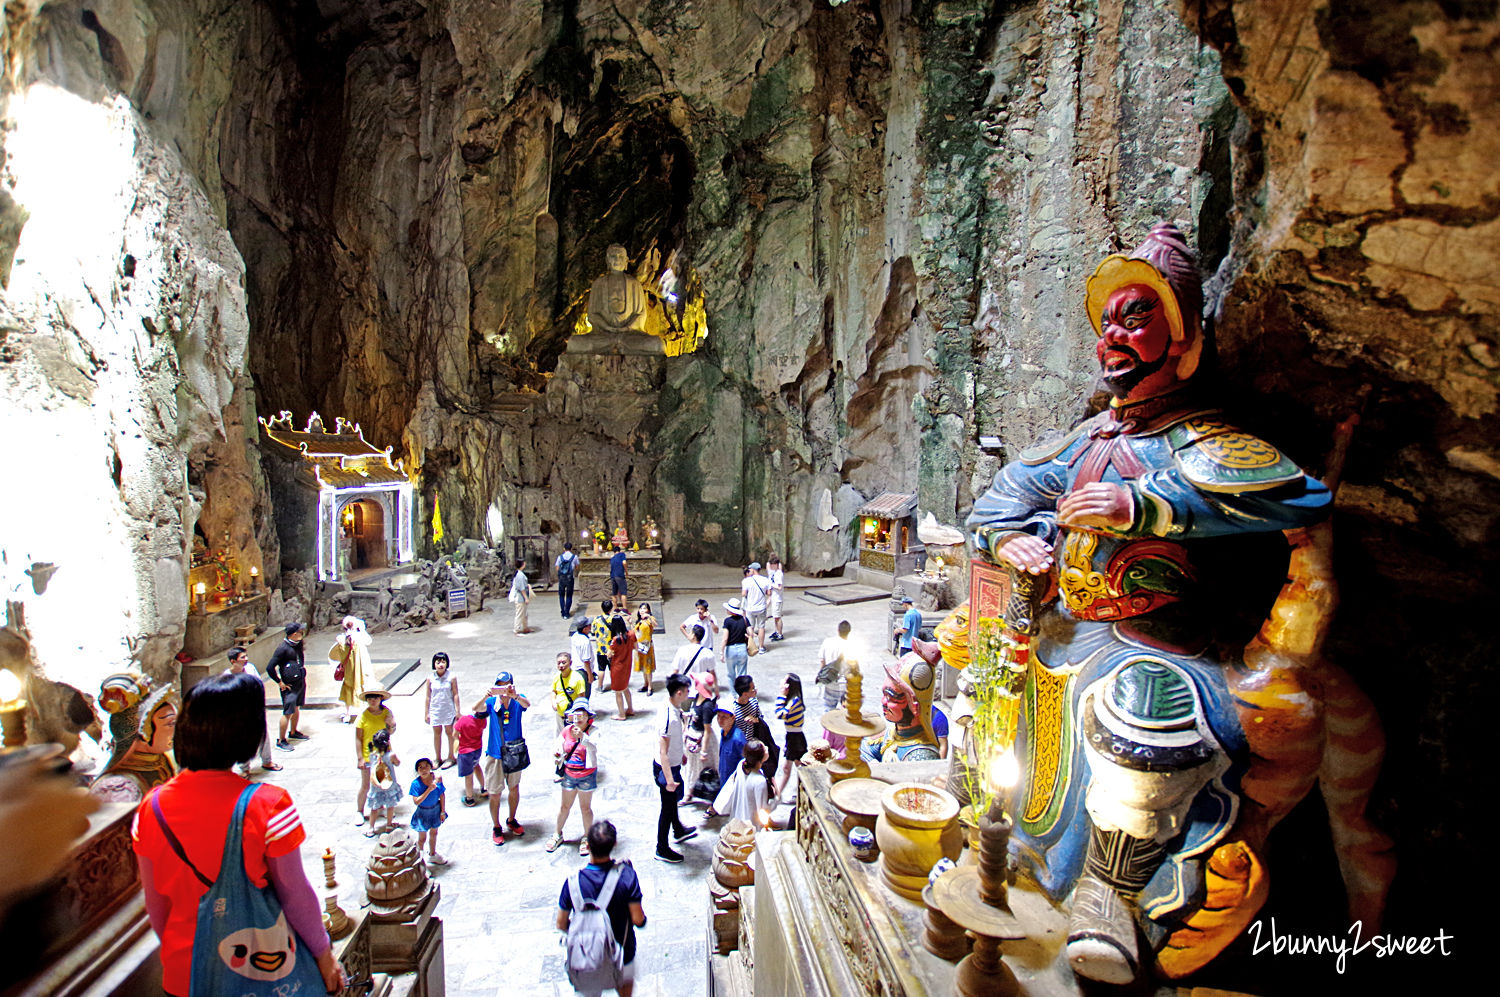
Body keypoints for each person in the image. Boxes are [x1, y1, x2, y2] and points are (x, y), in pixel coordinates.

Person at [131, 672, 345, 997]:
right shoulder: (269, 806)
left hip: (184, 977)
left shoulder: (151, 808)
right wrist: (324, 954)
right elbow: (295, 894)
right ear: (246, 731)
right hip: (260, 975)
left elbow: (156, 905)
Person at [557, 820, 645, 997]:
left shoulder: (573, 883)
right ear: (614, 844)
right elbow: (638, 919)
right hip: (623, 949)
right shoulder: (626, 876)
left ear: (587, 845)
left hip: (586, 955)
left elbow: (560, 923)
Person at [477, 672, 531, 845]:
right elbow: (476, 709)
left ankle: (512, 819)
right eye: (500, 685)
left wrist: (514, 695)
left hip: (514, 752)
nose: (504, 688)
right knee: (494, 792)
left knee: (514, 788)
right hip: (495, 754)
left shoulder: (517, 700)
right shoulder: (492, 702)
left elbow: (527, 704)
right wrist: (486, 696)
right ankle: (496, 826)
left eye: (507, 684)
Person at [652, 674, 697, 863]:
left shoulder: (671, 706)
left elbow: (674, 741)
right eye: (687, 691)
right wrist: (670, 780)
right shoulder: (670, 717)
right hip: (666, 767)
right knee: (668, 807)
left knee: (671, 804)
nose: (689, 694)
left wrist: (681, 754)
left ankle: (678, 829)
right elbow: (664, 752)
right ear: (679, 693)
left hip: (673, 762)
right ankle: (661, 847)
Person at [548, 702, 599, 855]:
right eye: (575, 715)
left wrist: (582, 737)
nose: (578, 719)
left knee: (585, 808)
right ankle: (557, 833)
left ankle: (587, 837)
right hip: (570, 774)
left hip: (586, 774)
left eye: (581, 715)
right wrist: (558, 754)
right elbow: (558, 746)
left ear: (588, 717)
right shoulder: (566, 731)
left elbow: (594, 746)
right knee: (565, 806)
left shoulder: (593, 731)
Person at [226, 646, 280, 774]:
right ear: (233, 661)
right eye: (242, 657)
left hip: (256, 708)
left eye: (246, 656)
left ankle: (267, 761)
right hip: (240, 713)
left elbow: (259, 684)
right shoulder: (227, 676)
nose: (246, 659)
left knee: (263, 735)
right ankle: (244, 768)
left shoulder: (250, 668)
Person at [354, 689, 397, 826]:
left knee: (385, 783)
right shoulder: (363, 716)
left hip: (384, 754)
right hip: (368, 756)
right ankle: (359, 811)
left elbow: (391, 731)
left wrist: (391, 724)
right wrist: (360, 757)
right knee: (366, 785)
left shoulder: (387, 713)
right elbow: (358, 738)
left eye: (375, 697)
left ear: (380, 699)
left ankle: (383, 806)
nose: (373, 700)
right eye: (370, 698)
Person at [264, 622, 308, 750]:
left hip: (299, 681)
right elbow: (270, 667)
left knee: (297, 707)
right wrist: (279, 682)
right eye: (300, 632)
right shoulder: (282, 648)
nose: (302, 634)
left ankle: (293, 732)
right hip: (289, 686)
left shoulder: (297, 646)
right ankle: (281, 740)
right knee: (288, 712)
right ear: (294, 634)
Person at [713, 740, 770, 824]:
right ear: (761, 757)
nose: (767, 748)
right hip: (751, 826)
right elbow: (762, 810)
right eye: (765, 749)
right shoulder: (759, 781)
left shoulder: (741, 764)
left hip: (737, 820)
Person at [683, 672, 719, 801]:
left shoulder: (707, 706)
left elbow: (707, 730)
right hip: (692, 737)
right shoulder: (697, 698)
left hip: (701, 740)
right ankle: (689, 791)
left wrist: (704, 751)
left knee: (701, 768)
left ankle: (696, 792)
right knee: (691, 766)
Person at [817, 621, 852, 754]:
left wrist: (823, 677)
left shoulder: (828, 642)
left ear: (838, 630)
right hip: (844, 683)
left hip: (830, 683)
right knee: (846, 713)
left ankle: (827, 741)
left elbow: (822, 661)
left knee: (828, 712)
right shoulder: (850, 646)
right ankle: (842, 741)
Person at [328, 615, 371, 723]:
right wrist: (362, 630)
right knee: (361, 687)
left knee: (348, 688)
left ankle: (347, 713)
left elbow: (335, 656)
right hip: (360, 668)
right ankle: (363, 712)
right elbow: (368, 641)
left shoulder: (341, 638)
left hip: (349, 671)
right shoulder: (358, 638)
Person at [409, 757, 448, 865]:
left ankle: (432, 854)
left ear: (431, 767)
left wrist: (442, 811)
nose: (424, 769)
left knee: (434, 833)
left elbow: (442, 794)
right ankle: (420, 861)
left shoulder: (437, 778)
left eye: (426, 766)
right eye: (420, 767)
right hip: (423, 812)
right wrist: (429, 789)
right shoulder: (415, 784)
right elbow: (416, 801)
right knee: (422, 838)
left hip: (435, 810)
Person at [364, 728, 403, 834]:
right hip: (389, 784)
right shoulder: (391, 755)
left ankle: (371, 827)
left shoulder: (372, 754)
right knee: (390, 805)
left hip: (376, 784)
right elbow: (397, 763)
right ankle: (389, 824)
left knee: (374, 807)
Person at [424, 652, 460, 767]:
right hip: (435, 710)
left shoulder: (451, 677)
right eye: (438, 662)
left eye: (443, 661)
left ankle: (451, 757)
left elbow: (455, 694)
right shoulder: (430, 678)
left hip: (448, 709)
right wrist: (426, 712)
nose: (440, 664)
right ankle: (437, 758)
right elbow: (428, 696)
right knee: (437, 733)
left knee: (450, 733)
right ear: (434, 664)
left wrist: (458, 711)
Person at [773, 674, 806, 797]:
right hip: (792, 737)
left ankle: (782, 794)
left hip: (795, 738)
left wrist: (781, 695)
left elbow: (779, 714)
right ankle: (780, 794)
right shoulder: (792, 699)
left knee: (797, 768)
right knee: (792, 767)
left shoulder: (794, 701)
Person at [454, 704, 488, 807]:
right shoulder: (483, 721)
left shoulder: (463, 720)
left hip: (465, 752)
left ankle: (469, 798)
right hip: (477, 749)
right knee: (476, 766)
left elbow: (454, 734)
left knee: (468, 775)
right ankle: (484, 788)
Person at [607, 617, 637, 720]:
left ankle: (621, 714)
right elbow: (636, 647)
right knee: (625, 687)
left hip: (617, 667)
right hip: (627, 665)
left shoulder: (615, 640)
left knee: (618, 691)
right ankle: (630, 708)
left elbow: (609, 655)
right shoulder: (631, 635)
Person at [714, 706, 747, 796]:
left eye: (724, 717)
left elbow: (747, 764)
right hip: (724, 783)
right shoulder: (723, 732)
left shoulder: (738, 739)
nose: (720, 720)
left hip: (734, 787)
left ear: (733, 718)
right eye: (718, 716)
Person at [553, 651, 587, 734]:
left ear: (570, 663)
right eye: (559, 663)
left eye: (564, 663)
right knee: (559, 741)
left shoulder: (577, 678)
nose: (561, 665)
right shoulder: (557, 677)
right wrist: (553, 702)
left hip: (572, 718)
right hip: (560, 716)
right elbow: (554, 691)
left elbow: (581, 698)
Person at [670, 624, 713, 688]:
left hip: (685, 688)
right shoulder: (708, 652)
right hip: (701, 689)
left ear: (693, 636)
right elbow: (711, 673)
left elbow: (675, 671)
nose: (688, 634)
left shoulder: (682, 650)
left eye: (690, 632)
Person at [741, 563, 771, 651]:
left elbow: (743, 594)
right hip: (761, 607)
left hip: (750, 608)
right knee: (761, 627)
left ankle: (751, 647)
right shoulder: (765, 580)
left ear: (753, 570)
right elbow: (769, 593)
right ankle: (761, 647)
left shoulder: (746, 581)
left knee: (750, 627)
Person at [720, 598, 750, 681]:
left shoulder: (727, 621)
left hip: (731, 649)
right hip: (742, 648)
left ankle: (733, 693)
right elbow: (751, 633)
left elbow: (725, 638)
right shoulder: (744, 619)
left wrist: (721, 652)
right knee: (742, 674)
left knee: (731, 674)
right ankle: (742, 692)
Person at [633, 603, 657, 696]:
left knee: (648, 667)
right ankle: (645, 684)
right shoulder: (639, 621)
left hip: (647, 646)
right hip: (639, 645)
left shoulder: (650, 620)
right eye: (641, 608)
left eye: (644, 608)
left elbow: (655, 625)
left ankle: (650, 686)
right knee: (643, 666)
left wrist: (649, 617)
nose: (642, 610)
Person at [571, 616, 598, 699]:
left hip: (576, 669)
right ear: (584, 628)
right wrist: (590, 675)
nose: (590, 626)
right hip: (583, 672)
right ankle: (584, 711)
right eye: (589, 625)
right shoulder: (584, 642)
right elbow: (586, 661)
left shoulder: (575, 636)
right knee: (585, 695)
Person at [591, 602, 615, 692]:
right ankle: (614, 686)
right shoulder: (612, 619)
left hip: (600, 649)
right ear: (611, 608)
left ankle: (600, 687)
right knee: (612, 668)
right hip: (611, 649)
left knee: (601, 669)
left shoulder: (596, 619)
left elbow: (593, 631)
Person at [510, 559, 535, 635]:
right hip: (520, 597)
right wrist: (526, 598)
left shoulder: (519, 574)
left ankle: (525, 628)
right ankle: (516, 630)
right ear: (523, 564)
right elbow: (521, 588)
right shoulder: (520, 575)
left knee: (524, 613)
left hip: (521, 596)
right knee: (520, 614)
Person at [556, 541, 580, 618]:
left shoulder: (560, 557)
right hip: (570, 578)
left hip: (562, 578)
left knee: (561, 595)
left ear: (564, 548)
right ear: (571, 548)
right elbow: (577, 567)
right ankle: (567, 612)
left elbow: (557, 568)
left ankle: (563, 611)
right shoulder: (574, 557)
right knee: (569, 595)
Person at [766, 555, 786, 641]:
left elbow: (779, 587)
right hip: (774, 597)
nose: (770, 566)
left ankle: (780, 633)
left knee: (777, 616)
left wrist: (770, 584)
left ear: (776, 564)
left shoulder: (779, 574)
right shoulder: (774, 573)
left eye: (771, 564)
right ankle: (776, 631)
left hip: (778, 598)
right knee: (775, 616)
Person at [609, 546, 629, 615]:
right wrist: (626, 571)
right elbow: (624, 562)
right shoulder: (622, 554)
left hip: (612, 576)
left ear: (614, 552)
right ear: (619, 551)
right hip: (620, 575)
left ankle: (615, 608)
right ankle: (624, 609)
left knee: (614, 593)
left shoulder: (612, 558)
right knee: (623, 592)